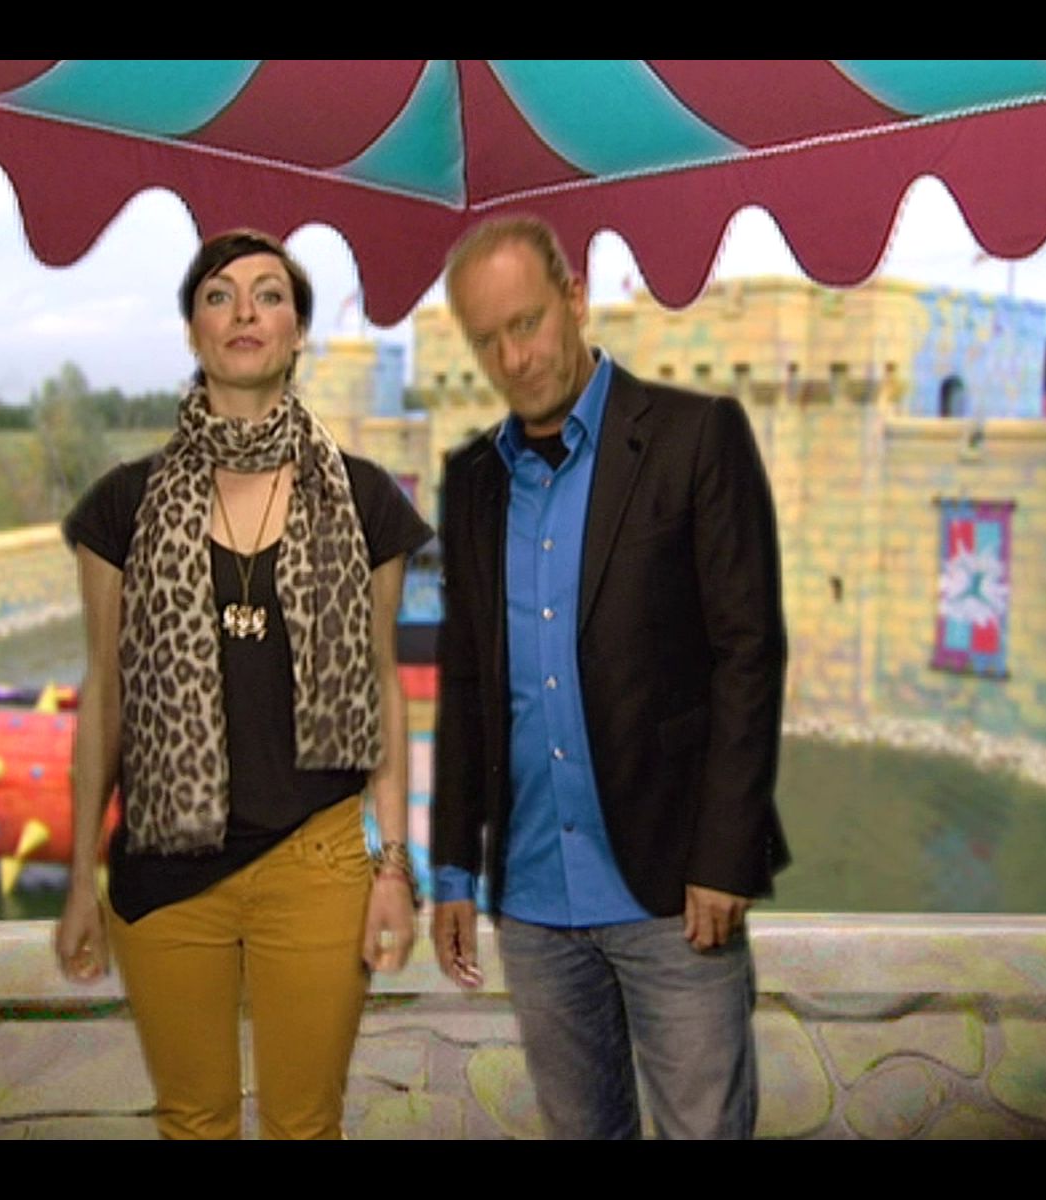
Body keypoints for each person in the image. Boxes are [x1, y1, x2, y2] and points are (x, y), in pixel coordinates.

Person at [54, 229, 432, 1140]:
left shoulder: (365, 500)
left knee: (306, 1124)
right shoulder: (123, 505)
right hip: (164, 868)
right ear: (194, 332)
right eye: (218, 296)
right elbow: (104, 698)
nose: (244, 313)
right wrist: (78, 881)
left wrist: (393, 868)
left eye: (269, 295)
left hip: (318, 863)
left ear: (298, 331)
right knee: (193, 1122)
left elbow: (382, 689)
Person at [429, 216, 790, 1140]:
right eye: (488, 339)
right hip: (532, 903)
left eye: (527, 323)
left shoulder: (695, 437)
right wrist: (454, 868)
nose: (513, 358)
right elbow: (465, 684)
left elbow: (748, 655)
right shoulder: (470, 481)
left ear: (576, 299)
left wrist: (725, 856)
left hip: (674, 894)